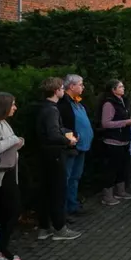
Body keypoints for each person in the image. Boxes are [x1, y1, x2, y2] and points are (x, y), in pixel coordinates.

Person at [35, 77, 81, 241]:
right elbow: (53, 133)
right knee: (57, 191)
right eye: (61, 88)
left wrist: (65, 131)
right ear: (56, 91)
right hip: (55, 154)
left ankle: (44, 227)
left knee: (46, 191)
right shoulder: (52, 110)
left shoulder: (41, 107)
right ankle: (60, 228)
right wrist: (69, 140)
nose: (63, 90)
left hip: (44, 154)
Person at [0, 93, 23, 260]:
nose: (15, 108)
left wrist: (17, 142)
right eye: (13, 105)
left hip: (11, 172)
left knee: (12, 210)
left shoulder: (3, 122)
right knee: (9, 211)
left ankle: (1, 248)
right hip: (1, 176)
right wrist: (14, 140)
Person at [56, 74, 93, 217]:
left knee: (75, 177)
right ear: (71, 86)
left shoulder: (77, 102)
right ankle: (64, 210)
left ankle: (72, 205)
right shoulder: (64, 104)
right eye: (81, 84)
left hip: (81, 146)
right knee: (67, 178)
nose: (83, 87)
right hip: (71, 147)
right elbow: (63, 125)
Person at [99, 80, 131, 206]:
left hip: (124, 140)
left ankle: (121, 190)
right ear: (113, 90)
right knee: (111, 169)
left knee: (122, 167)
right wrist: (125, 122)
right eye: (120, 87)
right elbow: (106, 123)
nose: (123, 88)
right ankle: (107, 195)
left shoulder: (123, 101)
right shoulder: (109, 104)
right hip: (113, 141)